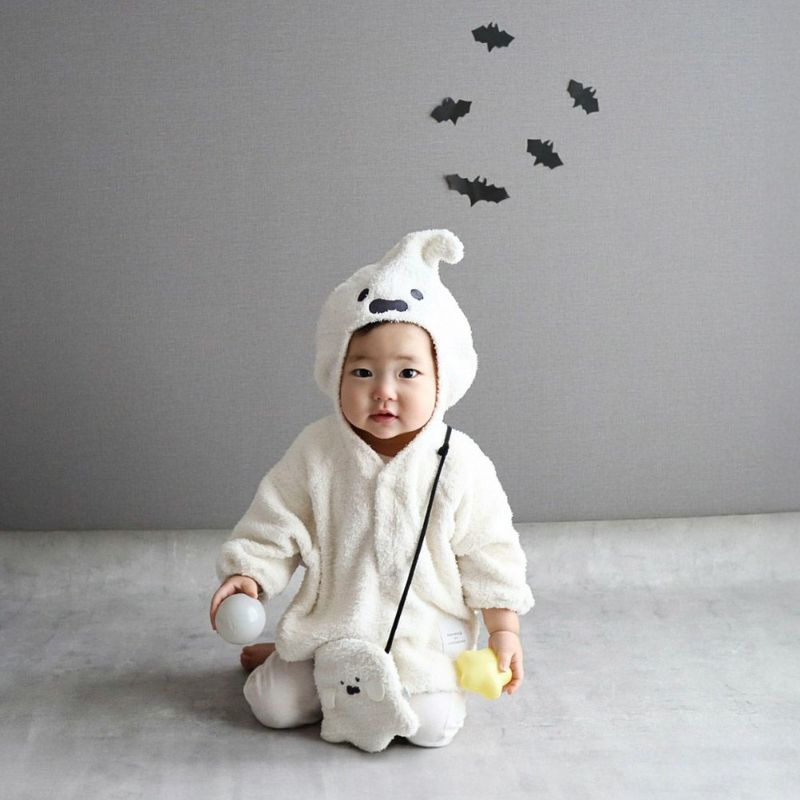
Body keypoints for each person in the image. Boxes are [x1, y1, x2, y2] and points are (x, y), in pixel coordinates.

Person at [209, 229, 534, 749]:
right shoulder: (318, 451)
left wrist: (504, 631)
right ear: (335, 372)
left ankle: (371, 684)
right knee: (270, 706)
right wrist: (250, 575)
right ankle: (293, 657)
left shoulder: (460, 462)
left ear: (442, 379)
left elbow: (489, 551)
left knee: (430, 728)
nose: (384, 391)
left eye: (408, 372)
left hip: (421, 640)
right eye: (362, 371)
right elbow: (277, 521)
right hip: (333, 629)